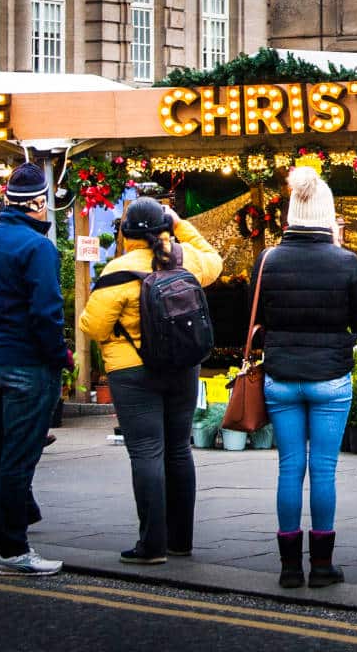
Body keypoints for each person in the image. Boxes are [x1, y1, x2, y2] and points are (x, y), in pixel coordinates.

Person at [80, 195, 222, 566]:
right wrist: (180, 224)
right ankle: (180, 541)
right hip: (183, 367)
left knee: (146, 452)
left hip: (132, 372)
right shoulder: (186, 260)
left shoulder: (118, 271)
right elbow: (215, 260)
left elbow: (93, 327)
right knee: (179, 450)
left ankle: (152, 545)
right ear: (165, 227)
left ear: (125, 233)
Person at [250, 167, 357, 588]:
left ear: (290, 212)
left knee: (289, 468)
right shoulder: (346, 262)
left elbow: (254, 316)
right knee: (323, 470)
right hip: (331, 377)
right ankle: (321, 566)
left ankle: (288, 568)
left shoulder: (267, 260)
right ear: (328, 215)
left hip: (281, 375)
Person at [0, 161, 67, 577]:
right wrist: (58, 356)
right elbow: (47, 311)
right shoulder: (37, 247)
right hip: (27, 363)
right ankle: (13, 549)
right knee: (18, 460)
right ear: (39, 203)